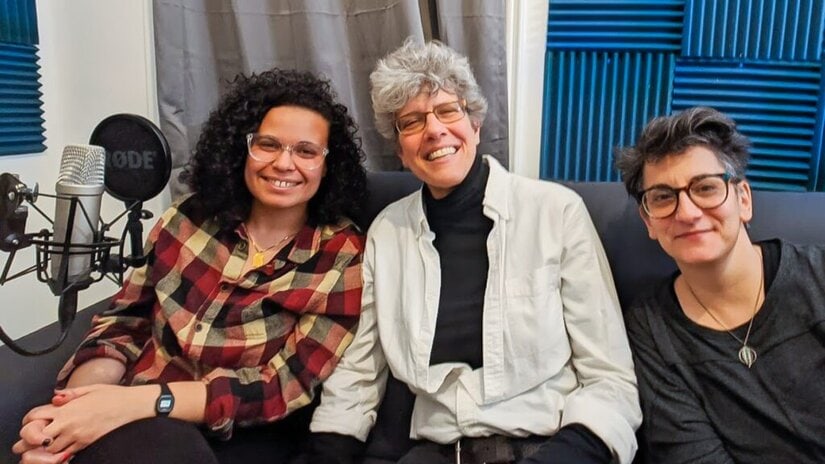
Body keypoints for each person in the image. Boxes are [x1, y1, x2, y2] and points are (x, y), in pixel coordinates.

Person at [308, 39, 641, 464]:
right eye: (411, 122)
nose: (434, 130)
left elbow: (609, 377)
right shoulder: (387, 233)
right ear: (400, 150)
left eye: (448, 111)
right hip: (438, 451)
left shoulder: (555, 212)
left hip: (550, 445)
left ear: (475, 124)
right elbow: (357, 375)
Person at [12, 68, 368, 464]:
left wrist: (133, 405)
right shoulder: (188, 217)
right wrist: (73, 410)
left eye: (306, 151)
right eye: (267, 144)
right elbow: (125, 321)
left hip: (232, 430)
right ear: (240, 148)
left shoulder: (342, 254)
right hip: (129, 410)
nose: (284, 164)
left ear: (328, 164)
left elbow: (281, 387)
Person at [615, 106, 825, 463]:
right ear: (648, 221)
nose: (687, 213)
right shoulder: (651, 329)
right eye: (663, 197)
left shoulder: (817, 277)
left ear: (743, 199)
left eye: (706, 188)